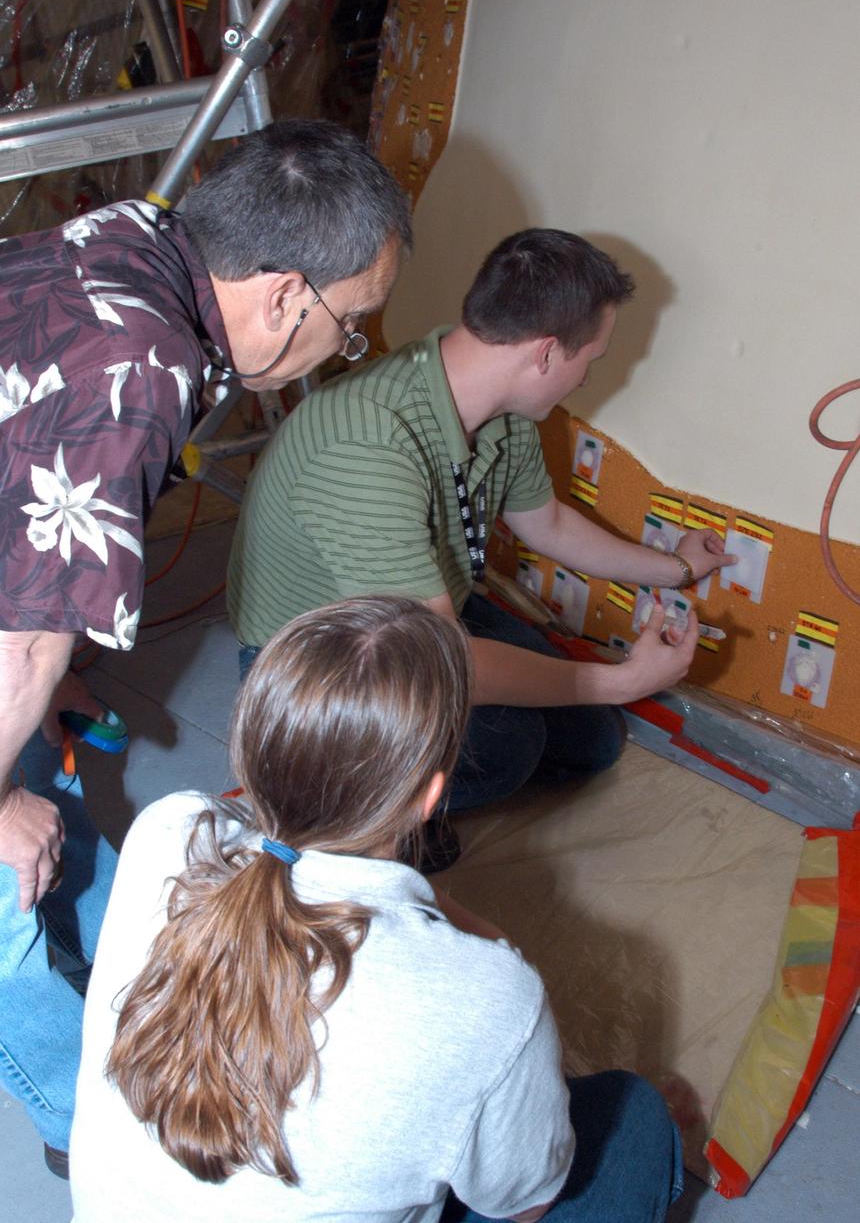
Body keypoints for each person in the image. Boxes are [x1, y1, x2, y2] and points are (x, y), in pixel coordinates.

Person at [0, 117, 412, 1174]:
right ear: (282, 294)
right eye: (351, 321)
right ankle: (76, 1122)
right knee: (0, 896)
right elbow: (23, 647)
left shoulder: (146, 231)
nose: (347, 343)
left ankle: (90, 958)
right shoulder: (137, 373)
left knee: (49, 765)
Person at [70, 595, 683, 1222]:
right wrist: (499, 956)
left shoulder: (168, 827)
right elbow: (526, 1206)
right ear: (432, 797)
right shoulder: (490, 998)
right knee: (635, 1121)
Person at [226, 229, 734, 845]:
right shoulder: (365, 443)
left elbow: (546, 524)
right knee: (505, 750)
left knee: (591, 742)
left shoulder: (501, 409)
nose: (584, 378)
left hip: (424, 617)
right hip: (320, 661)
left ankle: (411, 780)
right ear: (547, 354)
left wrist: (675, 569)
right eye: (589, 360)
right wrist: (625, 679)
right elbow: (446, 662)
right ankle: (350, 813)